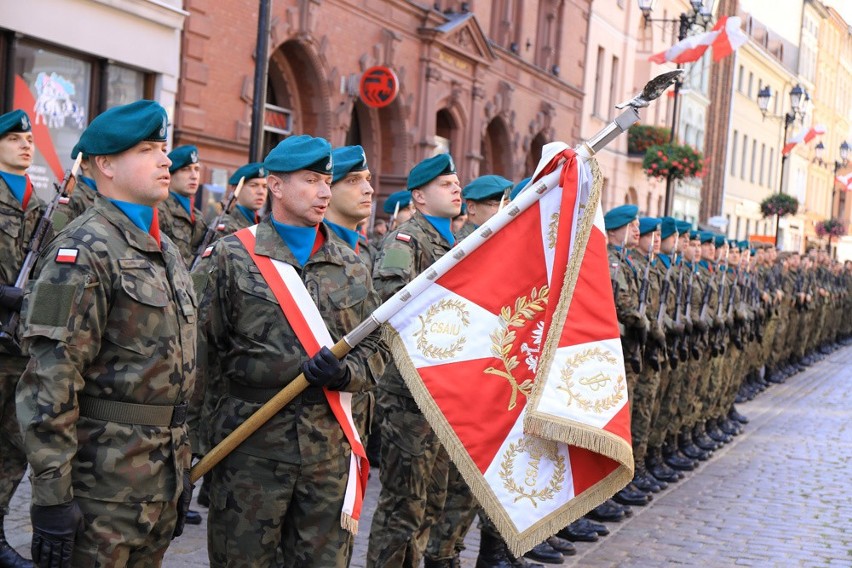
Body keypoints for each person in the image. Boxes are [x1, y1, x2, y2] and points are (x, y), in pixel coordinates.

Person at [15, 100, 196, 567]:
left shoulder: (168, 251)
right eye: (147, 150)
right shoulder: (79, 250)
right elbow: (49, 380)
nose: (164, 161)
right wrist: (52, 497)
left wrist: (182, 466)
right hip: (102, 489)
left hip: (159, 477)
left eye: (163, 148)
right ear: (105, 165)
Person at [197, 135, 387, 568]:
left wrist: (347, 375)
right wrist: (196, 449)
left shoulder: (352, 263)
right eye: (310, 180)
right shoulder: (231, 257)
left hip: (328, 454)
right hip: (250, 451)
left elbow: (378, 348)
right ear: (276, 187)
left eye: (327, 181)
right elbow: (199, 357)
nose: (323, 192)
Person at [367, 153, 461, 568]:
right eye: (446, 184)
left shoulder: (455, 245)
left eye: (457, 182)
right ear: (419, 197)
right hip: (408, 395)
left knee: (432, 500)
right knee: (403, 505)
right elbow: (391, 308)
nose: (457, 188)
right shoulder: (407, 241)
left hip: (442, 392)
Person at [0, 109, 42, 568]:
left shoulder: (44, 202)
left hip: (19, 347)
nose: (25, 145)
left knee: (14, 444)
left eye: (28, 138)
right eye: (14, 138)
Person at [157, 144, 207, 264]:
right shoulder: (160, 210)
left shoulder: (198, 216)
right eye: (186, 170)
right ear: (170, 174)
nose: (194, 176)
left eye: (196, 169)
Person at [215, 162, 268, 236]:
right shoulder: (227, 226)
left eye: (265, 186)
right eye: (254, 185)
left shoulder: (261, 222)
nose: (261, 192)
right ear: (236, 189)